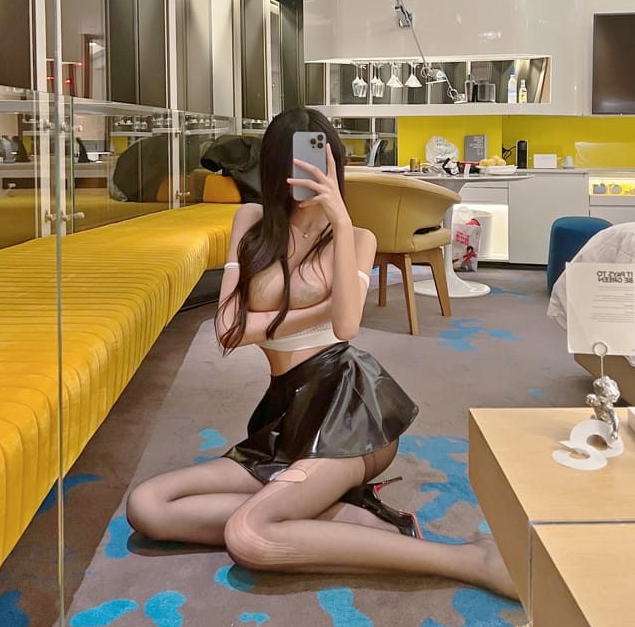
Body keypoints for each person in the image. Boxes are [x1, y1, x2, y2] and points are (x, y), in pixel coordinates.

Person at [126, 107, 517, 599]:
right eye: (294, 161)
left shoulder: (356, 237)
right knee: (148, 505)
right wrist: (314, 308)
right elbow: (227, 330)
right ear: (274, 167)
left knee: (249, 535)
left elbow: (345, 325)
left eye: (319, 160)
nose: (306, 173)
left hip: (348, 407)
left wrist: (339, 220)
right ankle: (343, 516)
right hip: (283, 415)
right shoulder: (252, 223)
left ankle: (469, 559)